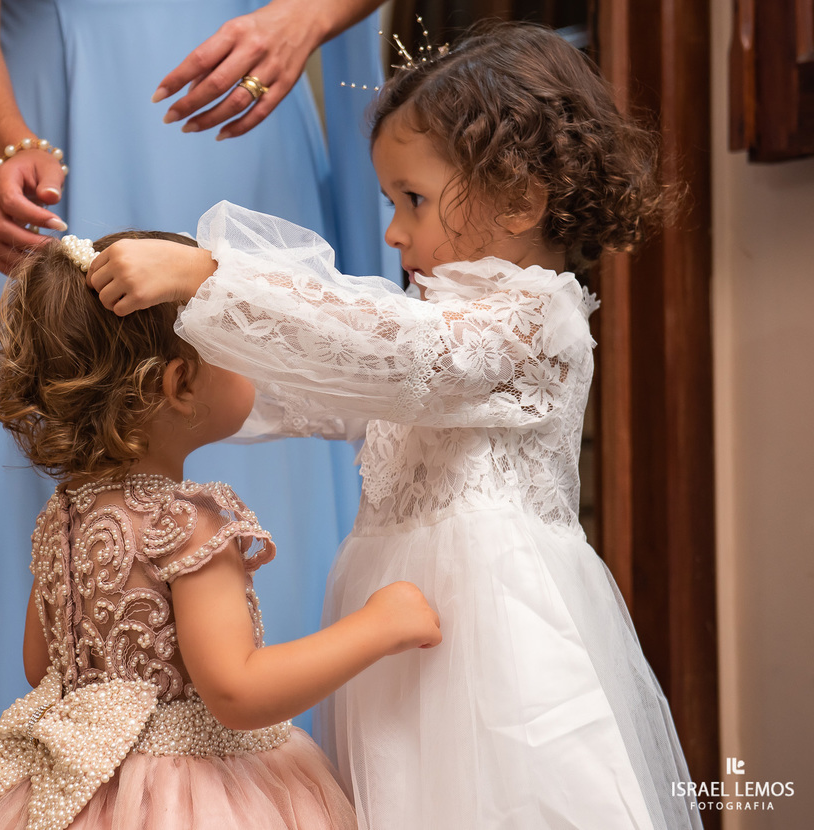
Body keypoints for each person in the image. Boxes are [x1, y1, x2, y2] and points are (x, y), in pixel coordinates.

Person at [85, 24, 702, 830]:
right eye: (391, 202)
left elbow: (403, 357)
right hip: (400, 636)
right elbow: (320, 386)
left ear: (519, 199)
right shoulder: (422, 329)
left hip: (495, 642)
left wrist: (212, 278)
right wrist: (165, 388)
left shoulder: (532, 323)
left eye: (412, 199)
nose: (392, 232)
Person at [0, 0, 396, 747]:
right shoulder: (203, 528)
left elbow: (35, 660)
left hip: (238, 99)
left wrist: (308, 17)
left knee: (255, 375)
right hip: (47, 111)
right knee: (91, 347)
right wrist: (6, 142)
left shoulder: (74, 531)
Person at [0, 231, 442, 830]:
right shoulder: (188, 525)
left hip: (76, 788)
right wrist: (379, 626)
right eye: (233, 341)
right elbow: (237, 692)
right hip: (195, 800)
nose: (252, 357)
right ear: (181, 384)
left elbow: (42, 666)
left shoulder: (67, 515)